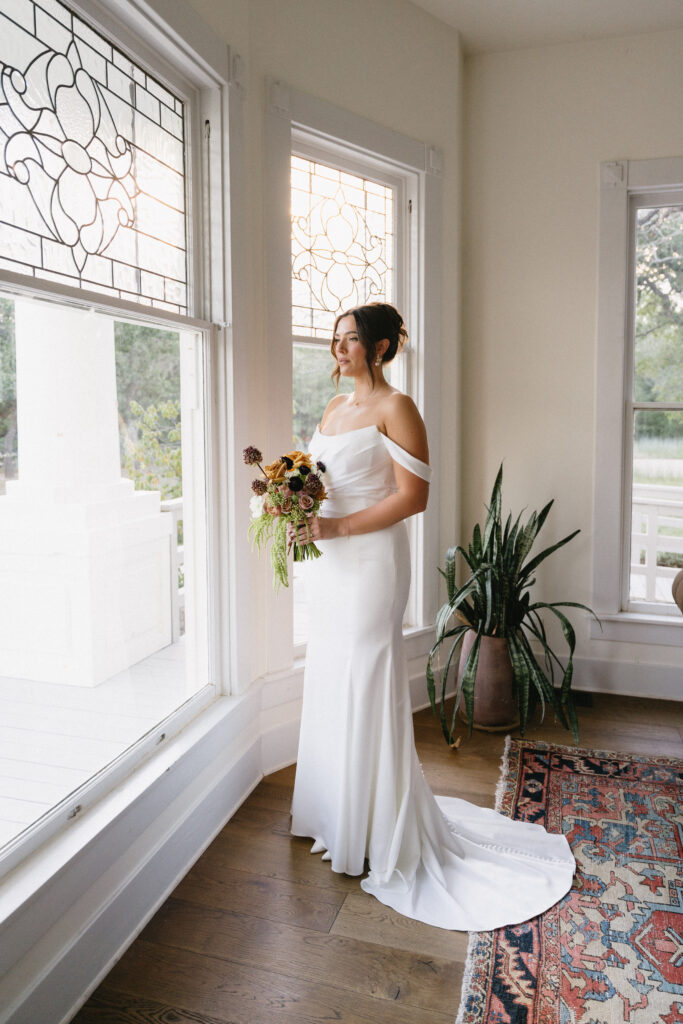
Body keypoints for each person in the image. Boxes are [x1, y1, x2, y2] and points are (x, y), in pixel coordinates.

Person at [287, 302, 575, 931]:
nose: (339, 349)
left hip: (369, 564)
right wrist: (295, 510)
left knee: (365, 676)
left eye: (352, 341)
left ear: (384, 347)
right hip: (330, 566)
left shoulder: (398, 407)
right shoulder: (335, 409)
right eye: (335, 339)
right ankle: (336, 815)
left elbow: (413, 496)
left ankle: (375, 826)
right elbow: (318, 478)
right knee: (332, 676)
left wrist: (334, 524)